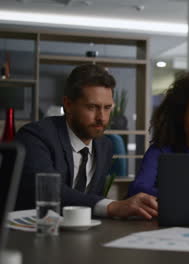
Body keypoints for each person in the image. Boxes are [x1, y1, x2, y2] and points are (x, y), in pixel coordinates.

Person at [15, 64, 158, 219]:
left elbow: (90, 205)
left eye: (107, 107)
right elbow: (48, 191)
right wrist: (112, 206)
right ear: (68, 105)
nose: (102, 118)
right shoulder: (35, 136)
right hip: (26, 233)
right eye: (92, 107)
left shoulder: (105, 146)